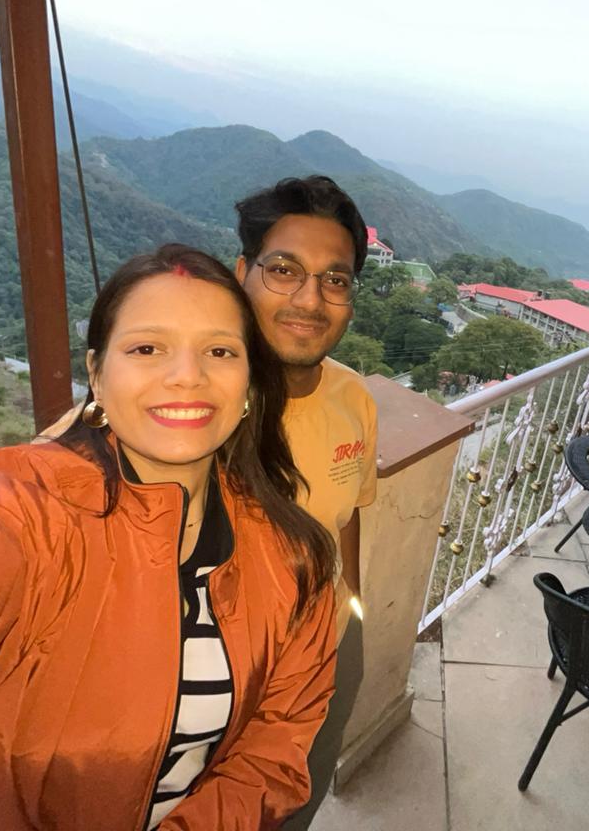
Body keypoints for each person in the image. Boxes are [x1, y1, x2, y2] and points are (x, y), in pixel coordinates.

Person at [0, 244, 339, 830]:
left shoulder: (291, 556)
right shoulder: (30, 505)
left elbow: (272, 753)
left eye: (219, 351)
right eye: (147, 348)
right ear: (97, 374)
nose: (187, 375)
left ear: (249, 382)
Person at [232, 176, 377, 830]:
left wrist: (354, 613)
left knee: (296, 808)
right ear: (242, 273)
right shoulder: (188, 405)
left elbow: (348, 513)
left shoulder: (354, 398)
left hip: (331, 650)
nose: (310, 300)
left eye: (334, 279)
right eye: (284, 270)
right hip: (226, 679)